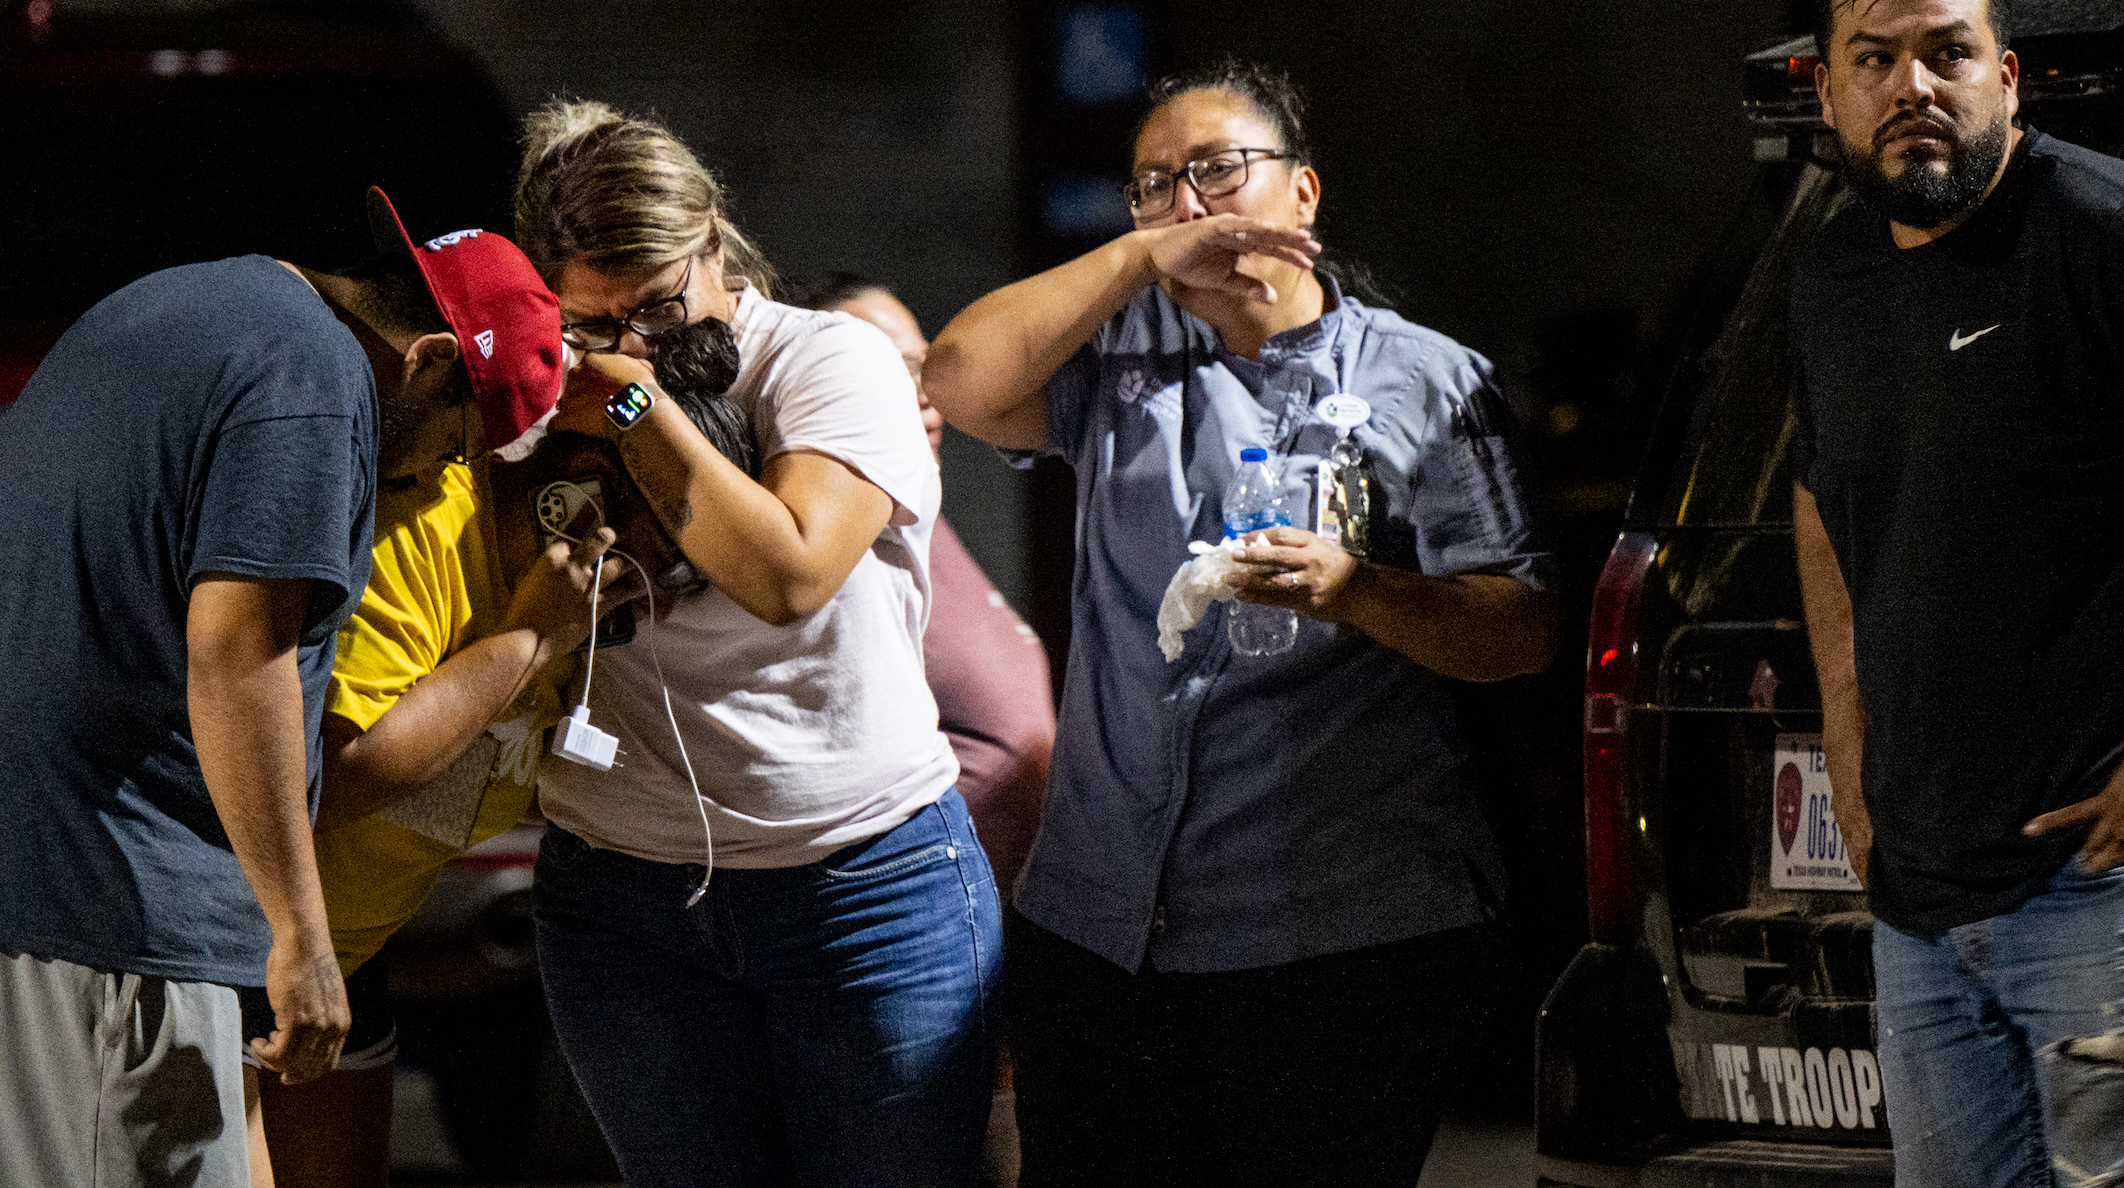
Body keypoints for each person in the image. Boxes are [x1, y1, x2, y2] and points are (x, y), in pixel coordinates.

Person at [924, 60, 1558, 1188]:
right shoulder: (1121, 364)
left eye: (1215, 170)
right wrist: (1129, 261)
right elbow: (960, 375)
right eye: (1152, 184)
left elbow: (1517, 630)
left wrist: (1355, 591)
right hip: (1101, 929)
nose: (1184, 204)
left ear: (1302, 195)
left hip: (1334, 937)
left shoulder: (1428, 378)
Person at [1790, 0, 2124, 1184]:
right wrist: (1845, 729)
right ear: (1826, 90)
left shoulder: (2113, 233)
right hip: (1922, 904)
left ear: (2006, 74)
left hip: (2117, 875)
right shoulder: (1830, 277)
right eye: (1874, 59)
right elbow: (1819, 499)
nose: (1911, 88)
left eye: (1946, 53)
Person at [0, 189, 561, 1188]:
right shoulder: (313, 386)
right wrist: (301, 935)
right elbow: (240, 655)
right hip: (119, 907)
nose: (434, 477)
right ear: (430, 359)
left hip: (46, 878)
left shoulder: (184, 303)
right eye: (454, 442)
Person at [512, 102, 1000, 1188]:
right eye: (588, 324)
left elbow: (788, 573)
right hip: (621, 896)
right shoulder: (557, 385)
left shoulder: (830, 363)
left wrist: (628, 402)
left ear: (714, 245)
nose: (628, 342)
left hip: (863, 889)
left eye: (654, 306)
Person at [239, 213, 600, 1188]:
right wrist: (525, 642)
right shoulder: (422, 513)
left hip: (345, 949)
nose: (441, 461)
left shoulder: (577, 590)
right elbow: (337, 771)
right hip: (241, 938)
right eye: (458, 442)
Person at [800, 269, 1056, 904]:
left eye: (923, 366)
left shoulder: (920, 510)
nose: (922, 393)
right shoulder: (828, 539)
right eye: (884, 369)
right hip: (909, 913)